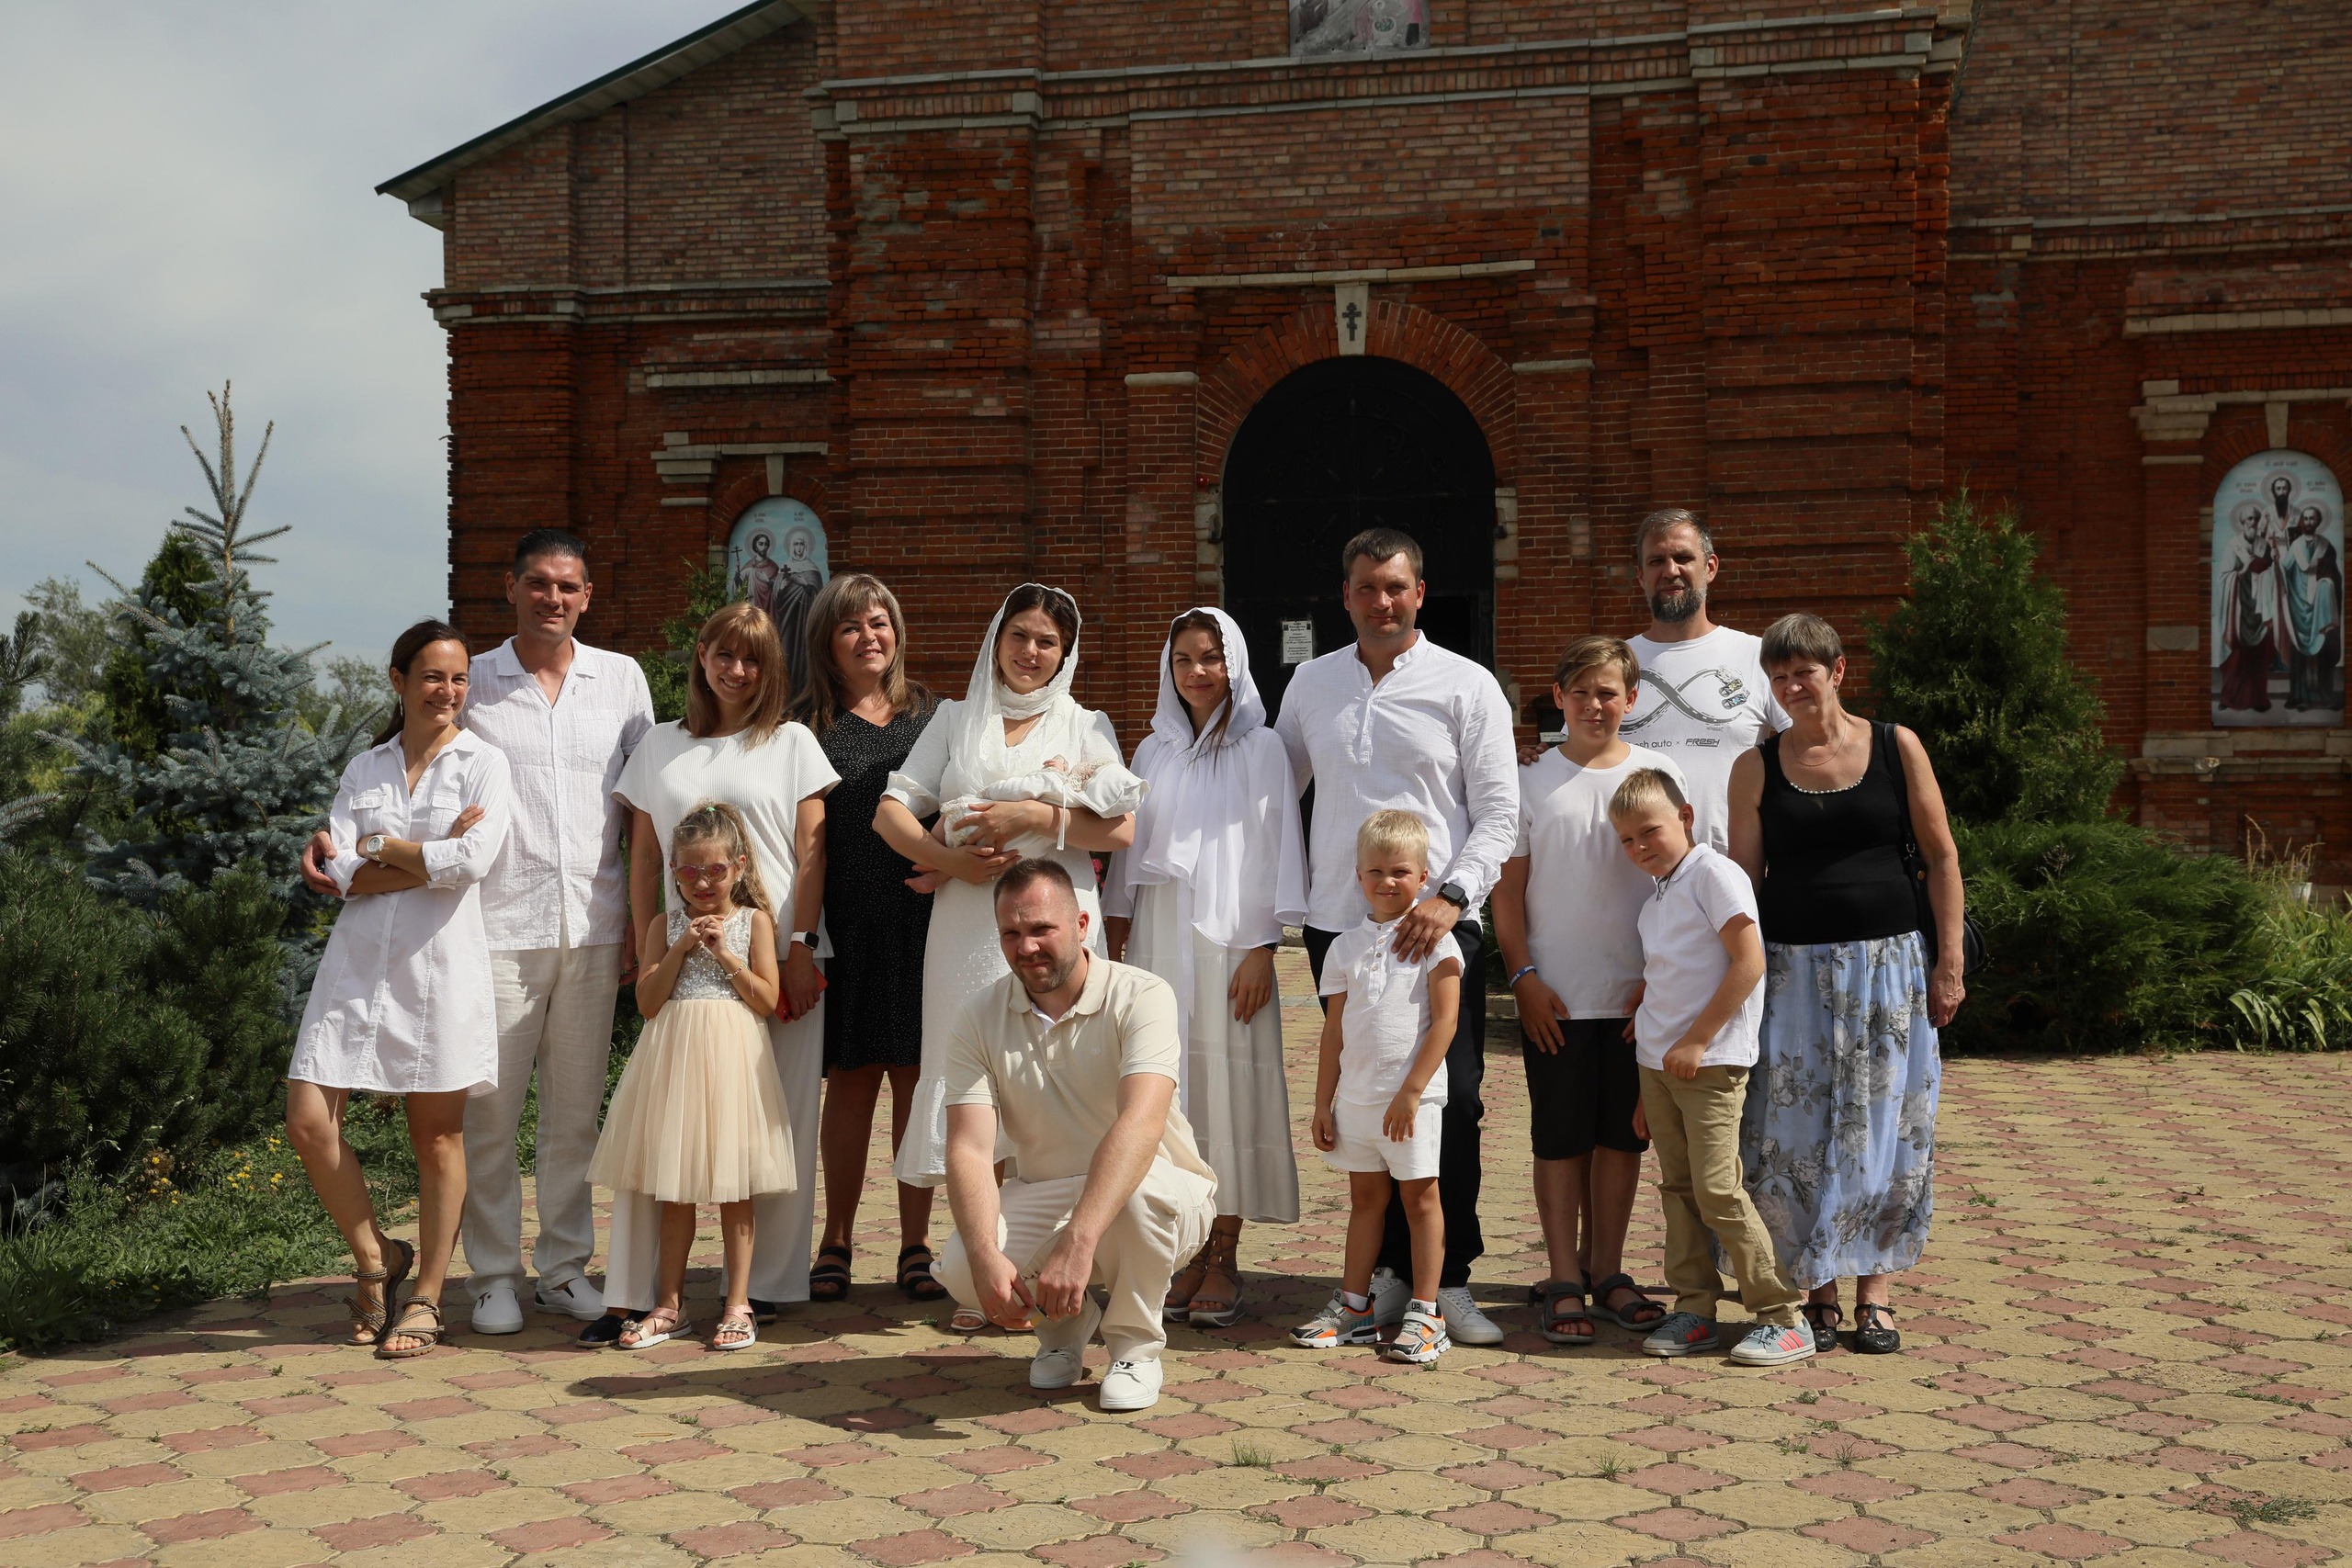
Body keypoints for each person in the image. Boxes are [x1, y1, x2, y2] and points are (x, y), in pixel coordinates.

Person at [300, 532, 653, 1337]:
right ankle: (492, 1273)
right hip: (493, 928)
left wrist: (643, 917)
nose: (552, 598)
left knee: (573, 1112)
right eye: (538, 584)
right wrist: (340, 843)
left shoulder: (622, 680)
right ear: (512, 588)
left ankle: (563, 1268)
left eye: (568, 586)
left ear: (588, 595)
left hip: (595, 923)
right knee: (489, 1114)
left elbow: (643, 810)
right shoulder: (474, 679)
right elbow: (395, 779)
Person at [1273, 528, 1515, 1348]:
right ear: (1344, 595)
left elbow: (1500, 812)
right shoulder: (1310, 683)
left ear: (1421, 591)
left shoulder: (1466, 684)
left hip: (1434, 926)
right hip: (1341, 924)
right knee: (1362, 1097)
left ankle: (1447, 1283)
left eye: (1397, 587)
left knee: (1455, 1101)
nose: (1383, 601)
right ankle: (1381, 1281)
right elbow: (1276, 793)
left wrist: (1451, 896)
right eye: (1368, 587)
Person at [875, 584, 1140, 1325]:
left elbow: (1118, 832)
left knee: (1057, 1078)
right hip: (967, 922)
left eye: (1047, 642)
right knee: (979, 1085)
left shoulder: (1086, 724)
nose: (1030, 652)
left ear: (1066, 653)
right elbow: (891, 806)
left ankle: (1069, 1260)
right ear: (996, 638)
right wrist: (945, 860)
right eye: (1019, 635)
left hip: (1056, 921)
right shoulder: (957, 720)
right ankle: (986, 1264)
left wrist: (1038, 816)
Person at [586, 603, 838, 1341]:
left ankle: (762, 1288)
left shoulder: (791, 742)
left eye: (753, 659)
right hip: (682, 960)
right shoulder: (660, 746)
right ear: (702, 656)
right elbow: (639, 856)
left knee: (772, 1125)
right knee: (664, 1133)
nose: (737, 670)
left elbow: (812, 852)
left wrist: (799, 943)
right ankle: (642, 1288)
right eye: (724, 655)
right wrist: (646, 942)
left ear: (771, 669)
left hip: (772, 951)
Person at [1726, 614, 1963, 1356]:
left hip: (1889, 969)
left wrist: (1948, 962)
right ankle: (1815, 1291)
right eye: (1779, 676)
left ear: (1837, 671)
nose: (1793, 686)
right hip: (1791, 972)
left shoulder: (1897, 745)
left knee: (1886, 1127)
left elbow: (1942, 856)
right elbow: (1743, 884)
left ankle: (1876, 1295)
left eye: (1805, 671)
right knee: (1791, 1132)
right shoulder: (1756, 765)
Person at [286, 620, 513, 1359]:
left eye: (458, 678)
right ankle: (377, 1254)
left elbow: (473, 858)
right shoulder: (366, 767)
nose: (448, 691)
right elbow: (342, 868)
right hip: (355, 966)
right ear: (398, 681)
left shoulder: (485, 764)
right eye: (432, 676)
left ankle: (425, 1299)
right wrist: (420, 853)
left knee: (437, 1136)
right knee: (308, 1119)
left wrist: (381, 851)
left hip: (438, 967)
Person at [934, 858, 1217, 1414]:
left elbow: (1139, 1123)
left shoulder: (1143, 995)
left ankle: (1135, 1345)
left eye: (1042, 929)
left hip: (1158, 1188)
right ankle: (1064, 1330)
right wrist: (984, 1254)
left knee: (1133, 1198)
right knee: (966, 1270)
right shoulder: (976, 1015)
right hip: (1045, 1186)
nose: (1027, 947)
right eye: (1011, 934)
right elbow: (968, 1146)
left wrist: (1078, 1241)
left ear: (1083, 925)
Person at [1103, 607, 1306, 1327]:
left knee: (1229, 1089)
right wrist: (1117, 941)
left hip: (1231, 946)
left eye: (1210, 657)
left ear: (1236, 664)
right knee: (1174, 1090)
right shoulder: (1152, 751)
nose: (1197, 671)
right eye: (1184, 658)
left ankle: (1224, 1250)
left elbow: (1280, 847)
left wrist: (1264, 945)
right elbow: (1127, 861)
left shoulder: (1262, 749)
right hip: (1160, 940)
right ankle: (1185, 1248)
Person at [1490, 636, 1679, 1345]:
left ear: (1632, 698)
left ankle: (1610, 1270)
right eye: (1582, 692)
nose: (1596, 704)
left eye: (1610, 692)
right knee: (1561, 1137)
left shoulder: (1661, 773)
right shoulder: (1529, 781)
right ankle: (1564, 1274)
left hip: (1637, 998)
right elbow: (1507, 895)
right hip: (1556, 997)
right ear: (1559, 697)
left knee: (1621, 1140)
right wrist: (1522, 978)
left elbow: (1681, 883)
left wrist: (1661, 980)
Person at [1611, 767, 1812, 1367]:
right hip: (1660, 1066)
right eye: (1627, 840)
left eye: (1650, 830)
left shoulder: (1714, 875)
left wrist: (1698, 1040)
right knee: (1677, 1188)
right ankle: (1695, 1308)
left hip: (1711, 1063)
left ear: (1686, 817)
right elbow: (1665, 982)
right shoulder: (1658, 896)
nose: (1640, 846)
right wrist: (1651, 1085)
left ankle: (1783, 1315)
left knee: (1718, 1189)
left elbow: (1748, 962)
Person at [588, 804, 794, 1351]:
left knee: (736, 1187)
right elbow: (649, 1003)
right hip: (674, 1059)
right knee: (674, 1187)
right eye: (688, 872)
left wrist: (725, 952)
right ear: (674, 872)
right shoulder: (663, 924)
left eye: (716, 871)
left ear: (740, 867)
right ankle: (669, 1304)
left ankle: (738, 1304)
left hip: (733, 1060)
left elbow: (768, 1001)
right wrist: (680, 946)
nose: (702, 883)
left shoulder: (755, 923)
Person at [796, 573, 945, 1303]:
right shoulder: (806, 725)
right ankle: (838, 1238)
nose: (869, 637)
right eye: (852, 625)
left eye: (880, 621)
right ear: (828, 639)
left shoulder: (935, 715)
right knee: (851, 1085)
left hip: (926, 925)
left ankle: (916, 1242)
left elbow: (964, 798)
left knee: (917, 1085)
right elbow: (803, 845)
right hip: (847, 927)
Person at [1288, 811, 1461, 1365]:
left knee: (1421, 1200)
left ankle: (1427, 1313)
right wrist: (1323, 1103)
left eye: (1401, 871)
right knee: (1365, 1201)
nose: (1388, 882)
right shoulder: (1342, 948)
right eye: (1375, 872)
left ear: (1425, 876)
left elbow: (1446, 1022)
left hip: (1411, 1101)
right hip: (1357, 1101)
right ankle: (1356, 1308)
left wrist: (1412, 1090)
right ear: (1358, 875)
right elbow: (1334, 1030)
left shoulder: (1440, 944)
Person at [1617, 508, 1790, 849]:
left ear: (1710, 567)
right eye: (1656, 562)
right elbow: (1575, 754)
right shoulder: (1613, 663)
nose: (1670, 571)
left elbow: (1808, 749)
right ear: (1640, 575)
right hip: (1628, 880)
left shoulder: (1757, 656)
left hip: (1732, 874)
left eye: (1683, 558)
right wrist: (1535, 757)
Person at [2215, 501, 2285, 715]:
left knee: (2257, 656)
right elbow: (2223, 578)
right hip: (2238, 609)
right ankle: (2229, 697)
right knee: (2237, 654)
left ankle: (2258, 699)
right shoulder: (2232, 546)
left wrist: (2274, 564)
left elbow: (2273, 575)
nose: (2253, 523)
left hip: (2259, 607)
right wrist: (2242, 571)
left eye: (2255, 519)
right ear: (2242, 522)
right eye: (2249, 519)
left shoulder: (2265, 546)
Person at [2281, 504, 2342, 712]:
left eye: (2312, 519)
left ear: (2318, 521)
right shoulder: (2295, 546)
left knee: (2324, 651)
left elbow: (2335, 576)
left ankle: (2324, 697)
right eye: (2305, 519)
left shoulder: (2326, 546)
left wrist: (2328, 586)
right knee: (2299, 654)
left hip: (2320, 609)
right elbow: (2284, 570)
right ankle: (2298, 696)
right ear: (2302, 522)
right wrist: (2275, 563)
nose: (2308, 522)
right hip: (2298, 607)